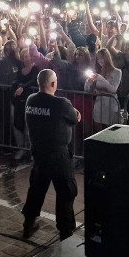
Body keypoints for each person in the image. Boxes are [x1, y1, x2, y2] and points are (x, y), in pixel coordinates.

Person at [21, 69, 81, 241]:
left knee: (36, 190)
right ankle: (65, 230)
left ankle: (28, 224)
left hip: (39, 153)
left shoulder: (31, 100)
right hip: (58, 155)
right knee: (66, 191)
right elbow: (75, 118)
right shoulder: (61, 103)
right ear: (53, 84)